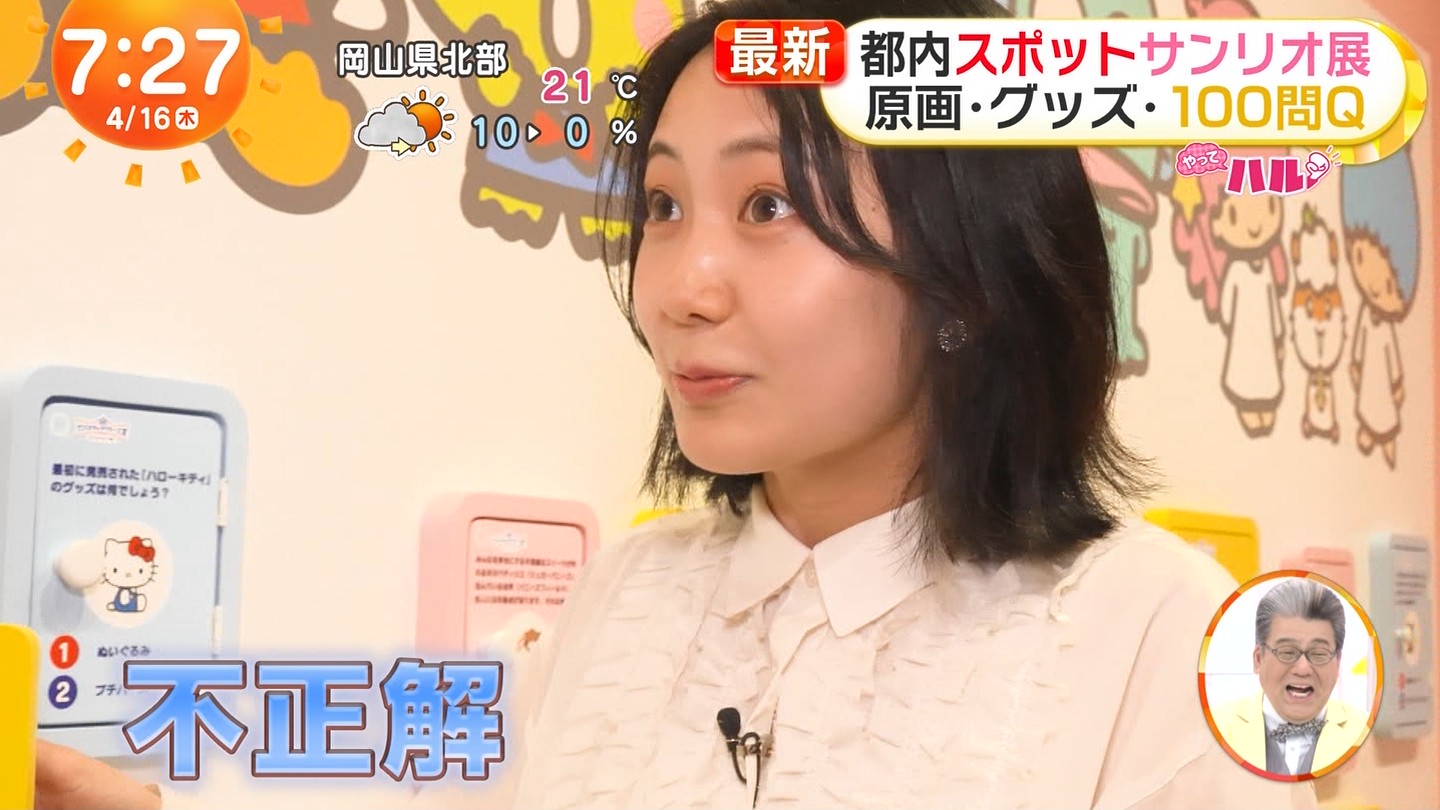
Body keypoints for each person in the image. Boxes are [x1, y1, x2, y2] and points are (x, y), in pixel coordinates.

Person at [35, 0, 1319, 807]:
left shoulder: (1170, 635)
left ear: (966, 277)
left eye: (766, 206)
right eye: (660, 205)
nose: (680, 288)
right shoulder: (627, 593)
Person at [1211, 579, 1371, 777]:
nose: (1303, 669)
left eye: (1318, 653)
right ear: (1258, 659)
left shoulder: (1366, 734)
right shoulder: (1214, 729)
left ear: (1337, 662)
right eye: (1287, 652)